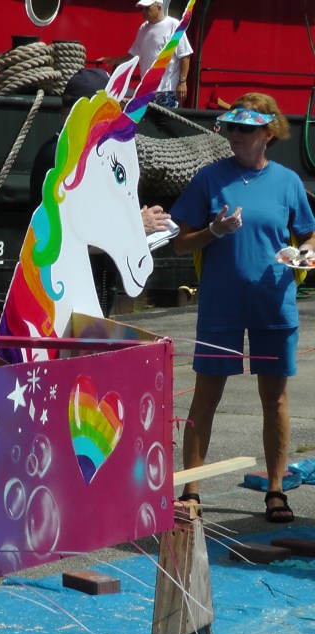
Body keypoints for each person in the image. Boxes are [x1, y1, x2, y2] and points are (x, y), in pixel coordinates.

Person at [171, 93, 315, 523]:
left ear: (268, 133)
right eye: (231, 126)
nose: (235, 134)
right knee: (206, 397)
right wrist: (213, 231)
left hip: (274, 304)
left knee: (275, 399)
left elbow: (309, 236)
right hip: (221, 306)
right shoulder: (208, 178)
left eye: (246, 128)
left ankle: (276, 490)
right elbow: (180, 243)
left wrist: (305, 255)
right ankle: (191, 491)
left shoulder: (288, 182)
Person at [28, 67, 173, 315]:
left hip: (89, 291)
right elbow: (64, 240)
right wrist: (133, 227)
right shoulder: (60, 160)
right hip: (64, 299)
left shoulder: (80, 155)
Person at [101, 0, 192, 109]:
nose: (143, 12)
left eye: (147, 8)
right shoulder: (143, 28)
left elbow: (184, 55)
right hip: (146, 90)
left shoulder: (174, 25)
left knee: (165, 119)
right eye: (142, 8)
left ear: (158, 8)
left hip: (167, 90)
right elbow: (133, 54)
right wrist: (115, 61)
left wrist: (182, 82)